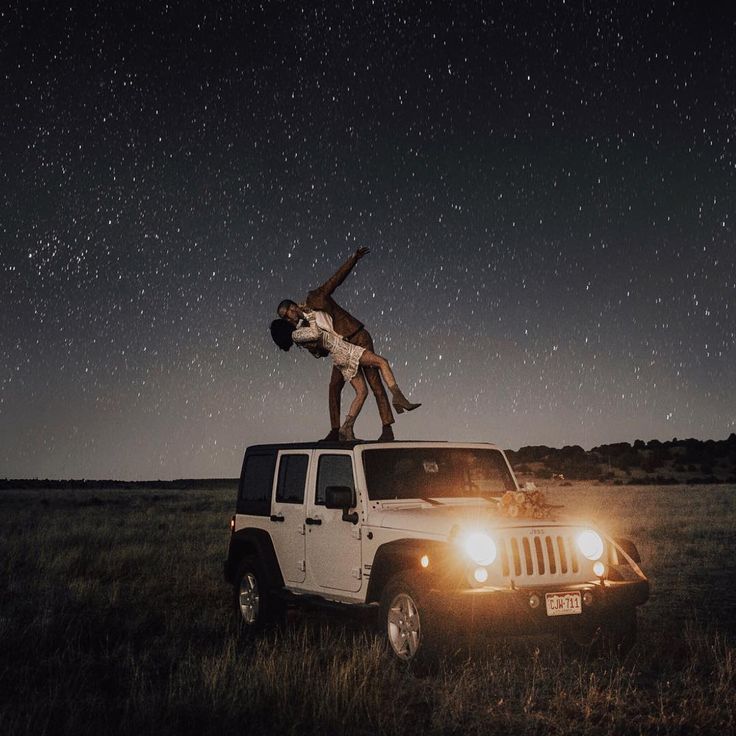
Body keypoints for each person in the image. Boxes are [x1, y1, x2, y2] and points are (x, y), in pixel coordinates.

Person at [276, 247, 396, 441]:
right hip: (341, 351)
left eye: (287, 313)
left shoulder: (315, 298)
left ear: (292, 307)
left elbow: (336, 279)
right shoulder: (302, 328)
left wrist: (354, 259)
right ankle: (336, 430)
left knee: (374, 383)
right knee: (334, 386)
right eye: (284, 318)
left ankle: (387, 428)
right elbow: (321, 350)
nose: (288, 318)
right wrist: (313, 349)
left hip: (357, 337)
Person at [270, 307, 420, 440]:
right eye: (284, 319)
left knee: (362, 392)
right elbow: (315, 333)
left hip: (340, 356)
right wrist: (309, 315)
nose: (288, 319)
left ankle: (346, 427)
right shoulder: (297, 335)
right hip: (345, 351)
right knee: (382, 362)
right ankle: (398, 396)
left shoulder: (298, 331)